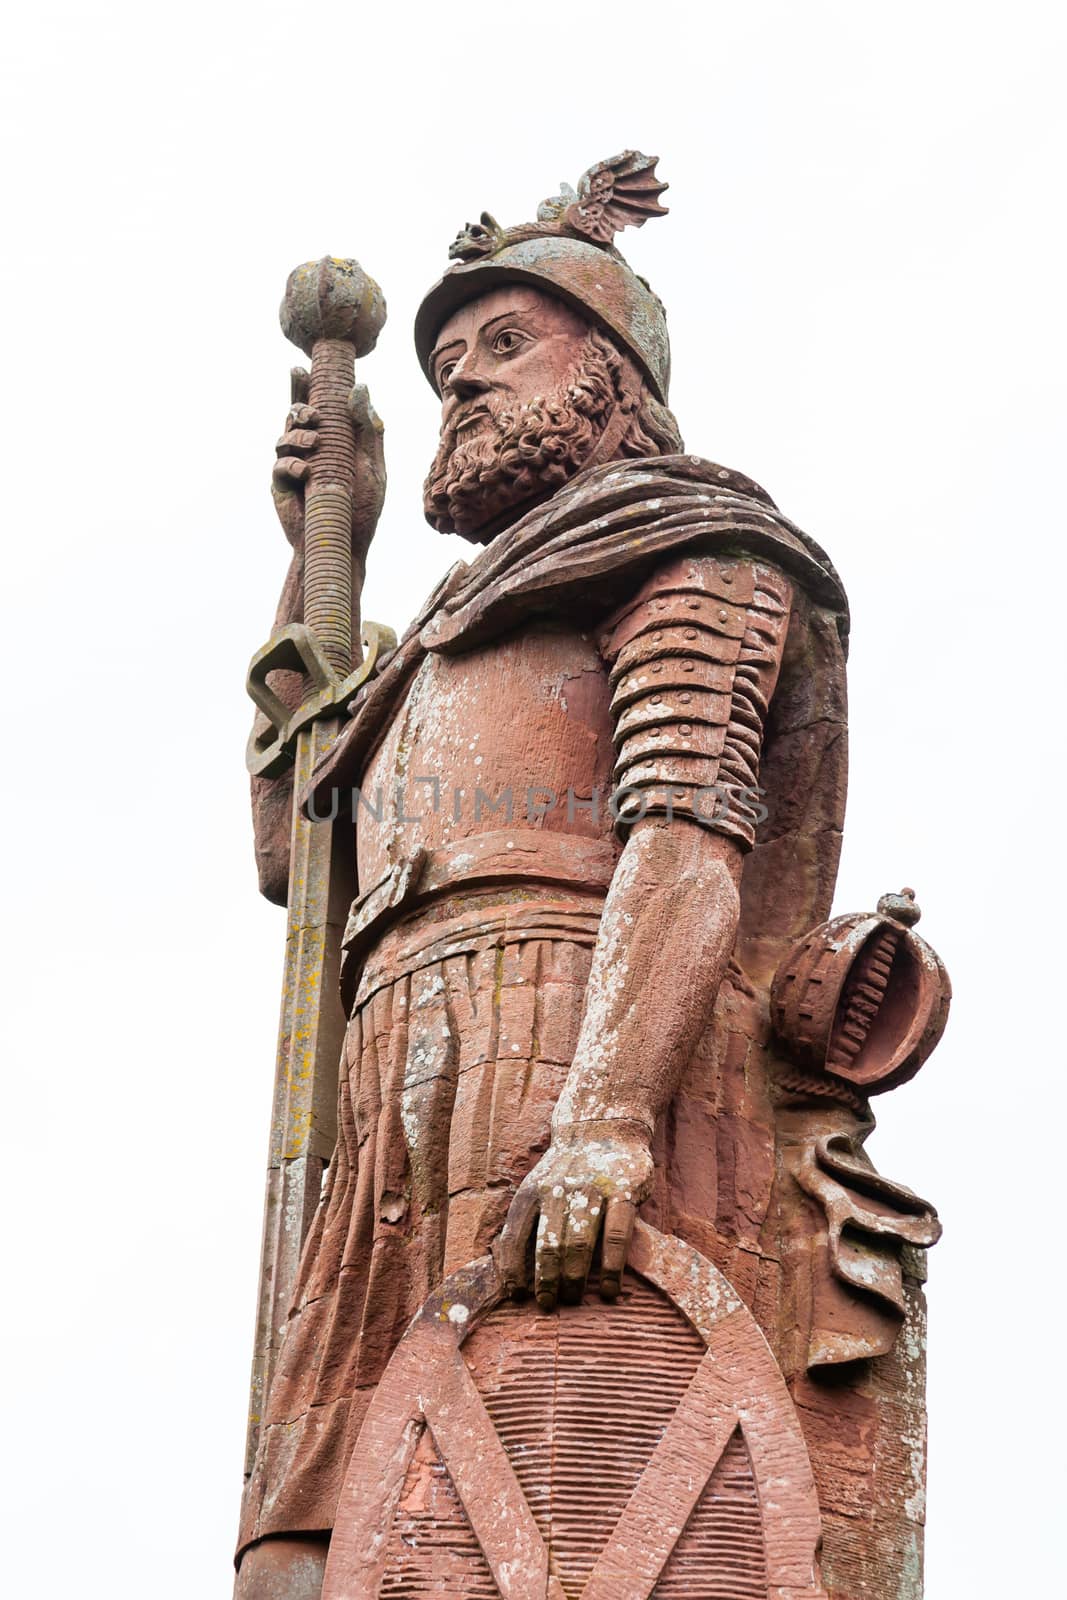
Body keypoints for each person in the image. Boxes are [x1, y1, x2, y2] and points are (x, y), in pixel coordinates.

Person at [237, 154, 938, 1598]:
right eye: (446, 368)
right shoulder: (436, 639)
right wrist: (329, 553)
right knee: (307, 1540)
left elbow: (688, 835)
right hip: (390, 1090)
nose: (467, 386)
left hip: (577, 1040)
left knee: (567, 1484)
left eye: (506, 345)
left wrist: (606, 1122)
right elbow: (294, 859)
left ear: (612, 372)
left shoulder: (692, 546)